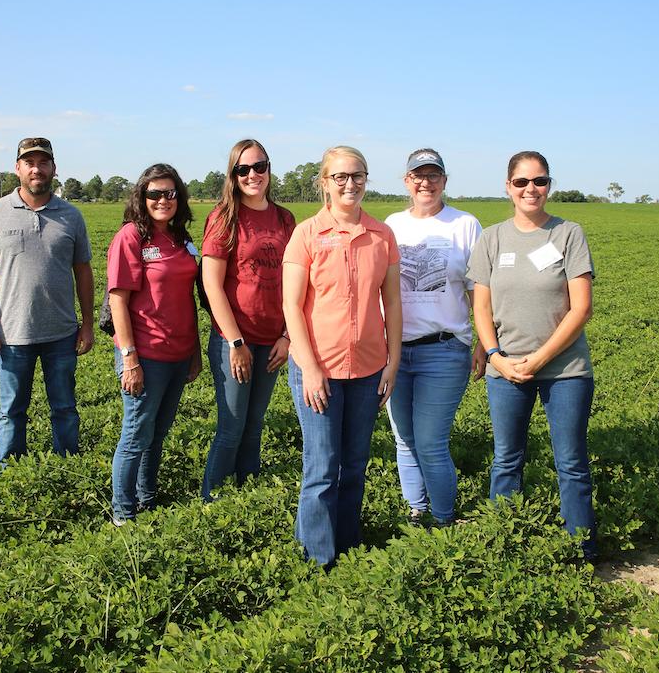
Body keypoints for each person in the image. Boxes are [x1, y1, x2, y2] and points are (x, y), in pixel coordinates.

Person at [468, 151, 597, 557]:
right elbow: (481, 308)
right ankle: (502, 546)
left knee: (571, 462)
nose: (531, 189)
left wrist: (540, 359)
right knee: (507, 459)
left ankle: (582, 551)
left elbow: (582, 308)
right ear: (508, 186)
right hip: (505, 368)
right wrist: (494, 356)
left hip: (566, 370)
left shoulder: (568, 234)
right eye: (521, 182)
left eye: (539, 181)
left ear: (549, 186)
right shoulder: (492, 238)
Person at [282, 145, 402, 567]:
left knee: (353, 466)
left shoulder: (381, 235)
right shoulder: (307, 234)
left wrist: (393, 360)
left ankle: (349, 552)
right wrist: (310, 369)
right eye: (340, 177)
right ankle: (318, 561)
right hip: (319, 369)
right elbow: (291, 307)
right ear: (324, 183)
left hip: (369, 368)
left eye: (358, 175)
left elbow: (392, 302)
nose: (350, 184)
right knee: (321, 468)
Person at [0, 137, 94, 463]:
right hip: (12, 335)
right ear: (18, 168)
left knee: (65, 407)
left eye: (43, 163)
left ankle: (68, 466)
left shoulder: (71, 216)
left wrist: (88, 325)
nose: (36, 169)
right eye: (29, 163)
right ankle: (11, 475)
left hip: (62, 333)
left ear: (53, 168)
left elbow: (83, 272)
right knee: (11, 411)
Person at [385, 148, 485, 528]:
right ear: (407, 180)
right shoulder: (392, 224)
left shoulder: (464, 224)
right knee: (404, 439)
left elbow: (479, 290)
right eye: (418, 175)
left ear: (444, 180)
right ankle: (416, 511)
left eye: (433, 175)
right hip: (396, 351)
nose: (425, 182)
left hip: (444, 350)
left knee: (430, 441)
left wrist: (482, 343)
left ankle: (443, 520)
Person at [200, 139, 295, 501]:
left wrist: (287, 336)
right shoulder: (224, 217)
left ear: (269, 169)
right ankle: (214, 501)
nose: (253, 175)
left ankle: (246, 498)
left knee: (255, 425)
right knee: (232, 425)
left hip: (272, 339)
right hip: (234, 339)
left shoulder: (285, 218)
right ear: (233, 175)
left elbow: (296, 282)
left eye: (259, 166)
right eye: (243, 169)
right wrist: (235, 342)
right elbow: (212, 284)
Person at [107, 164, 202, 524]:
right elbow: (118, 299)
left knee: (157, 434)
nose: (163, 200)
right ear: (142, 197)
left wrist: (193, 353)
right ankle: (123, 512)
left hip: (178, 354)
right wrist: (129, 358)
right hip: (145, 355)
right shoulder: (132, 237)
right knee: (135, 435)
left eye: (170, 193)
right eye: (155, 194)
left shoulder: (180, 238)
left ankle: (147, 500)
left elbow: (187, 299)